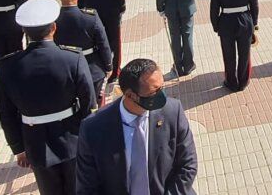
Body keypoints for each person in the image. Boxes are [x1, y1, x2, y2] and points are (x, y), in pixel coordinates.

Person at [0, 0, 96, 195]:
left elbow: (6, 113)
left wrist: (18, 148)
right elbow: (88, 102)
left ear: (25, 32)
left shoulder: (8, 65)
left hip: (34, 140)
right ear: (54, 27)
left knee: (48, 189)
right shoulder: (72, 59)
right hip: (71, 135)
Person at [75, 59, 198, 193]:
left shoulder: (173, 111)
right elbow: (87, 187)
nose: (162, 96)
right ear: (130, 95)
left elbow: (188, 164)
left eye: (162, 88)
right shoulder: (93, 128)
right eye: (153, 92)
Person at [51, 0, 113, 100]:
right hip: (92, 69)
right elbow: (103, 43)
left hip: (66, 70)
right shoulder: (90, 17)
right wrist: (108, 66)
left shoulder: (53, 21)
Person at [211, 0, 259, 91]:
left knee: (228, 54)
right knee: (244, 53)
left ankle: (231, 81)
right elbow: (254, 5)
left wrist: (216, 25)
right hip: (245, 21)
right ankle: (243, 81)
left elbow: (214, 7)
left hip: (225, 21)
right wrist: (254, 24)